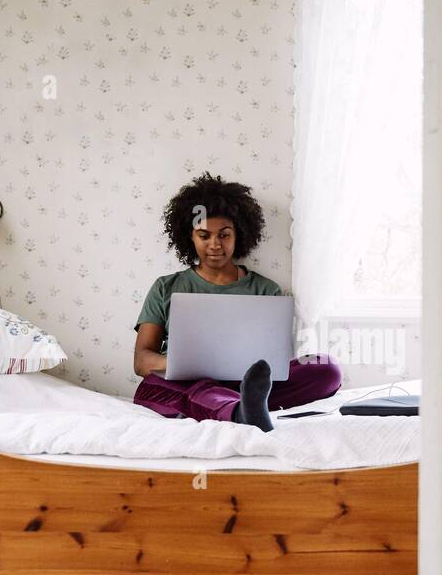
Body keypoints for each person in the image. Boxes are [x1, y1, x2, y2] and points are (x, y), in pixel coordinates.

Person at [132, 172, 340, 431]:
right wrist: (185, 365)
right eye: (204, 235)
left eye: (224, 234)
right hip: (187, 382)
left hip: (245, 381)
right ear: (190, 237)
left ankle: (240, 403)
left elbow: (276, 362)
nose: (215, 245)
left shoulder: (266, 290)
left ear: (239, 234)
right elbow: (141, 361)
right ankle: (239, 410)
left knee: (326, 369)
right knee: (152, 389)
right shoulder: (166, 287)